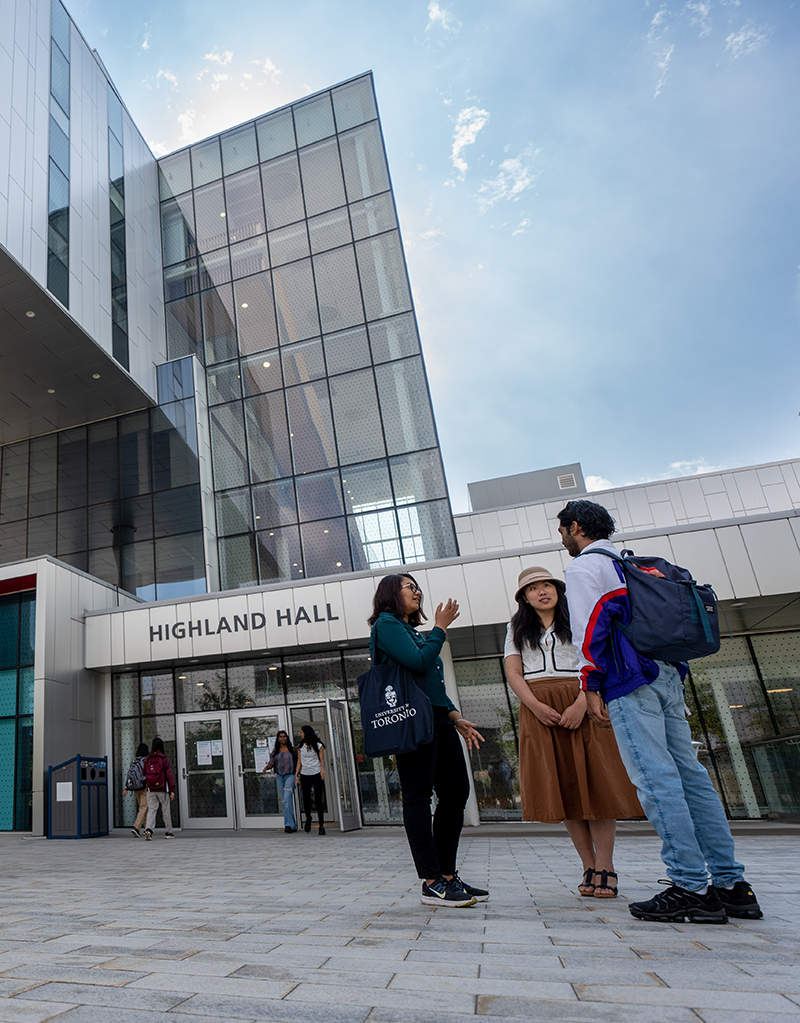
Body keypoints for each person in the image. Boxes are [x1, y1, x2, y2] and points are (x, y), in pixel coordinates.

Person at [557, 499, 762, 923]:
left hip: (630, 680)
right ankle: (731, 885)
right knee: (691, 777)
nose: (562, 539)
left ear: (575, 526)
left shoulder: (585, 567)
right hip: (667, 674)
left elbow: (590, 627)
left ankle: (689, 886)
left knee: (656, 779)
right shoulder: (635, 563)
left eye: (562, 531)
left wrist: (591, 683)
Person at [504, 566, 643, 898]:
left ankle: (606, 866)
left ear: (558, 589)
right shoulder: (516, 627)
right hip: (539, 705)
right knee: (565, 786)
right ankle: (589, 865)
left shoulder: (579, 616)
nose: (542, 591)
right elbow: (513, 672)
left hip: (582, 698)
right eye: (533, 588)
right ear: (524, 597)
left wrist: (583, 701)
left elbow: (600, 657)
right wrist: (535, 707)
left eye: (547, 585)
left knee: (596, 783)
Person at [368, 572, 487, 908]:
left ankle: (448, 875)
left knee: (456, 792)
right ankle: (432, 880)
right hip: (411, 721)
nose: (417, 591)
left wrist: (455, 717)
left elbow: (432, 684)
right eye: (410, 587)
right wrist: (441, 627)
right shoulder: (386, 624)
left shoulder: (411, 631)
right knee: (418, 796)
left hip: (438, 719)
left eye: (418, 586)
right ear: (392, 593)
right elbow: (419, 660)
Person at [262, 730, 298, 832]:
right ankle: (291, 825)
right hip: (279, 776)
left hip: (290, 776)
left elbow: (297, 763)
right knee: (285, 801)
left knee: (287, 798)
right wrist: (266, 768)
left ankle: (289, 824)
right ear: (278, 739)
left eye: (285, 736)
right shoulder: (276, 750)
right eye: (281, 736)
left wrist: (297, 776)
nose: (283, 738)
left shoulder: (292, 750)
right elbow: (271, 762)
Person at [295, 725, 327, 835]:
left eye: (301, 732)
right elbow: (299, 761)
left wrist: (323, 769)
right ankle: (308, 818)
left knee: (318, 799)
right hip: (305, 774)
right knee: (306, 798)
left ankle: (321, 825)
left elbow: (321, 759)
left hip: (316, 773)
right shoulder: (300, 746)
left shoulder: (318, 745)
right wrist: (296, 774)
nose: (300, 734)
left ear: (306, 733)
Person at [143, 735, 176, 840]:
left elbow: (144, 772)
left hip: (150, 789)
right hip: (162, 788)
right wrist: (172, 789)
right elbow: (169, 774)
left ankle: (148, 829)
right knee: (165, 810)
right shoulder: (164, 758)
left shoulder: (148, 759)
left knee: (152, 810)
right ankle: (169, 832)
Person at [122, 742, 149, 837]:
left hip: (135, 787)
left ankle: (147, 830)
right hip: (144, 787)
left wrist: (126, 787)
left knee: (142, 808)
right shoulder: (146, 760)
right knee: (144, 807)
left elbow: (129, 775)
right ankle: (136, 827)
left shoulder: (134, 761)